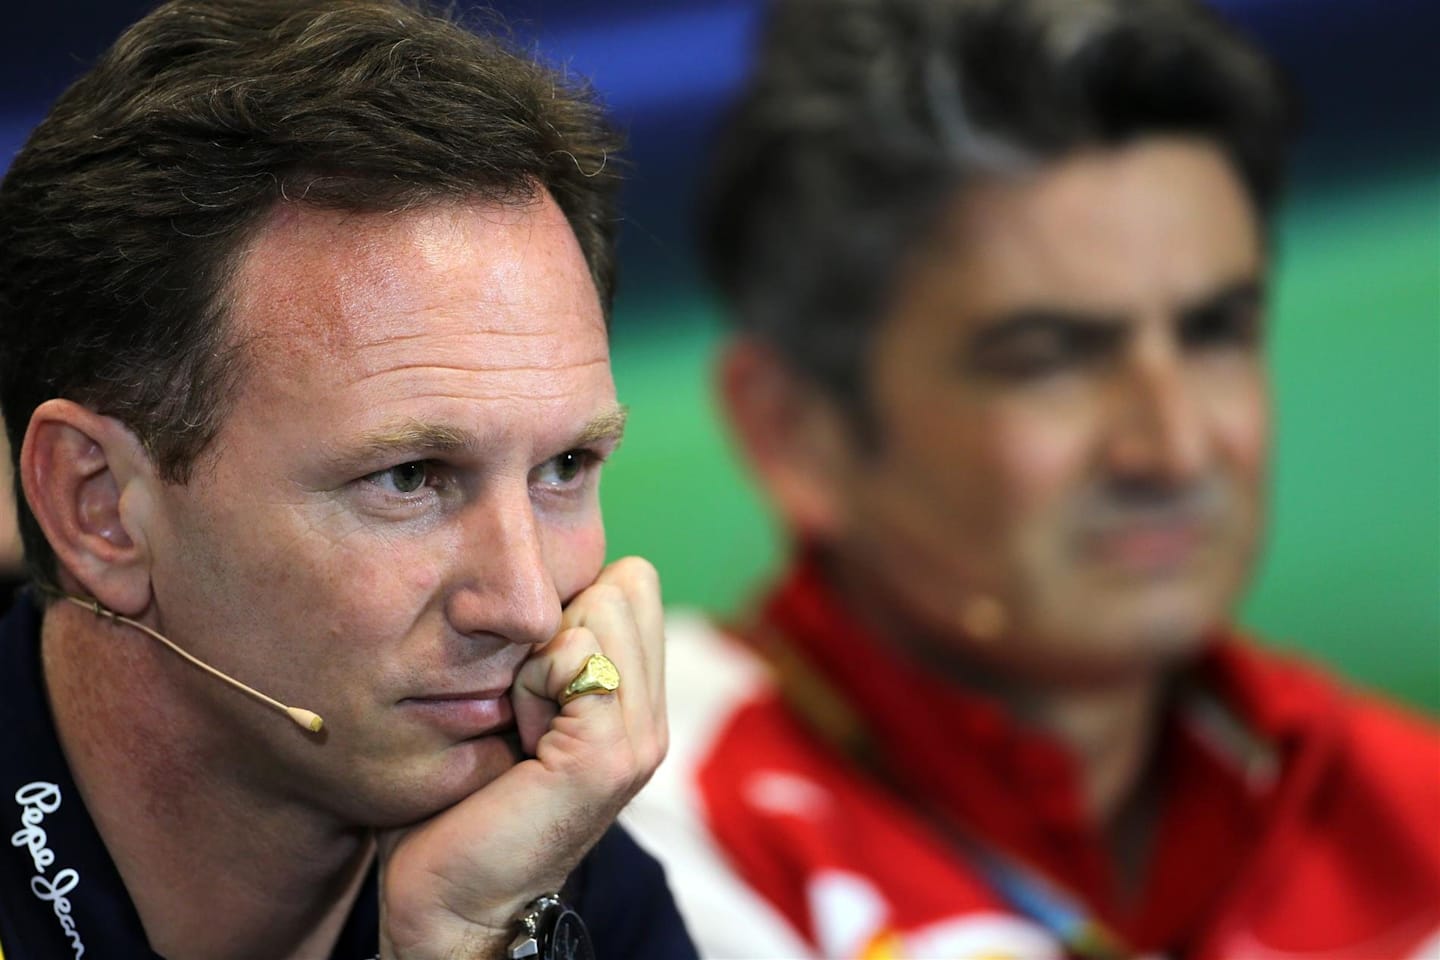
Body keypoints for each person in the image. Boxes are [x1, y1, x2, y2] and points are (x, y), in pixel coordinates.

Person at [621, 0, 1440, 957]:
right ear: (794, 431)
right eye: (1048, 358)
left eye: (1214, 333)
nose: (1173, 447)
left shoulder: (1407, 813)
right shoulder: (629, 824)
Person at [0, 2, 697, 958]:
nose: (530, 607)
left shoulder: (554, 881)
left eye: (565, 467)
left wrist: (471, 938)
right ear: (102, 508)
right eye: (411, 477)